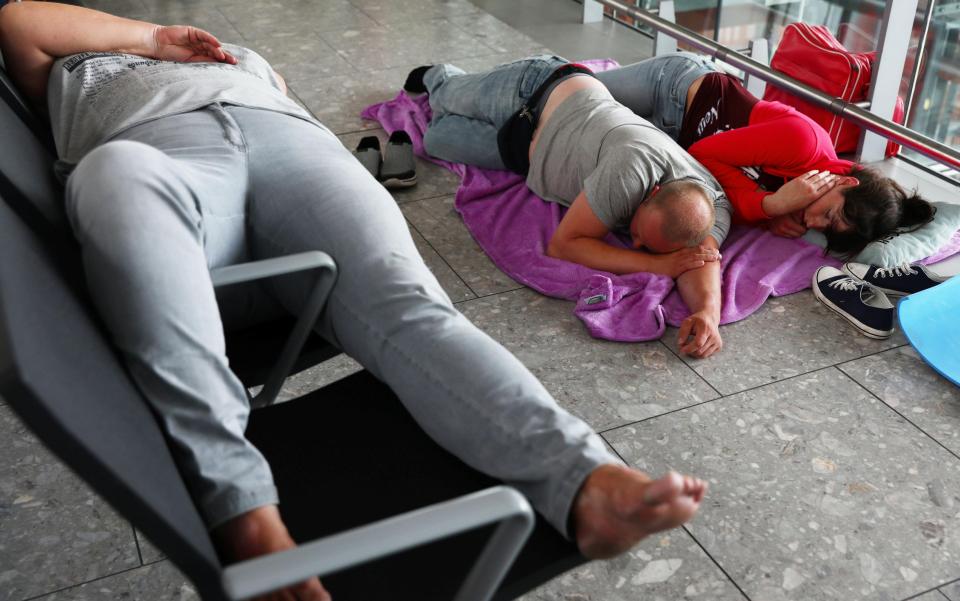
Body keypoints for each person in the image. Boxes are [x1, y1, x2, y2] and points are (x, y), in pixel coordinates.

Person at [0, 3, 709, 599]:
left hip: (290, 149)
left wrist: (244, 71)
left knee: (409, 303)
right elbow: (16, 19)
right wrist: (152, 40)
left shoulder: (241, 63)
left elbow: (276, 87)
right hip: (158, 154)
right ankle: (242, 508)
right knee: (115, 173)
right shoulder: (77, 70)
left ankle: (583, 480)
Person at [410, 56, 735, 359]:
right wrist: (659, 265)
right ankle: (442, 73)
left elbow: (701, 260)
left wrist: (707, 313)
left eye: (645, 245)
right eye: (636, 230)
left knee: (435, 139)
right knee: (439, 95)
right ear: (653, 191)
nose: (634, 242)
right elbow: (564, 245)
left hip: (523, 152)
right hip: (534, 91)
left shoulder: (712, 205)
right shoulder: (630, 167)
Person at [595, 52, 936, 257]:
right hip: (679, 87)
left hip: (666, 140)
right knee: (564, 90)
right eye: (829, 215)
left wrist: (768, 212)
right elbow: (701, 155)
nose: (813, 224)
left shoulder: (800, 206)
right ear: (844, 181)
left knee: (567, 127)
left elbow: (710, 193)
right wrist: (768, 205)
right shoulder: (804, 143)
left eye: (827, 229)